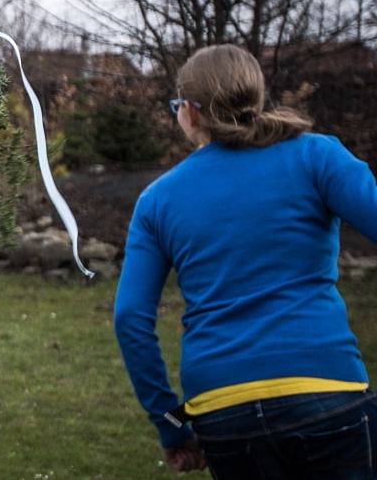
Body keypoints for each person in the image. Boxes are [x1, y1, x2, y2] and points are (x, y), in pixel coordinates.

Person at [114, 44, 377, 479]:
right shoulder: (318, 156)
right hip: (329, 393)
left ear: (190, 113)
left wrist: (172, 424)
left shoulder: (157, 200)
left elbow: (129, 318)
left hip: (223, 414)